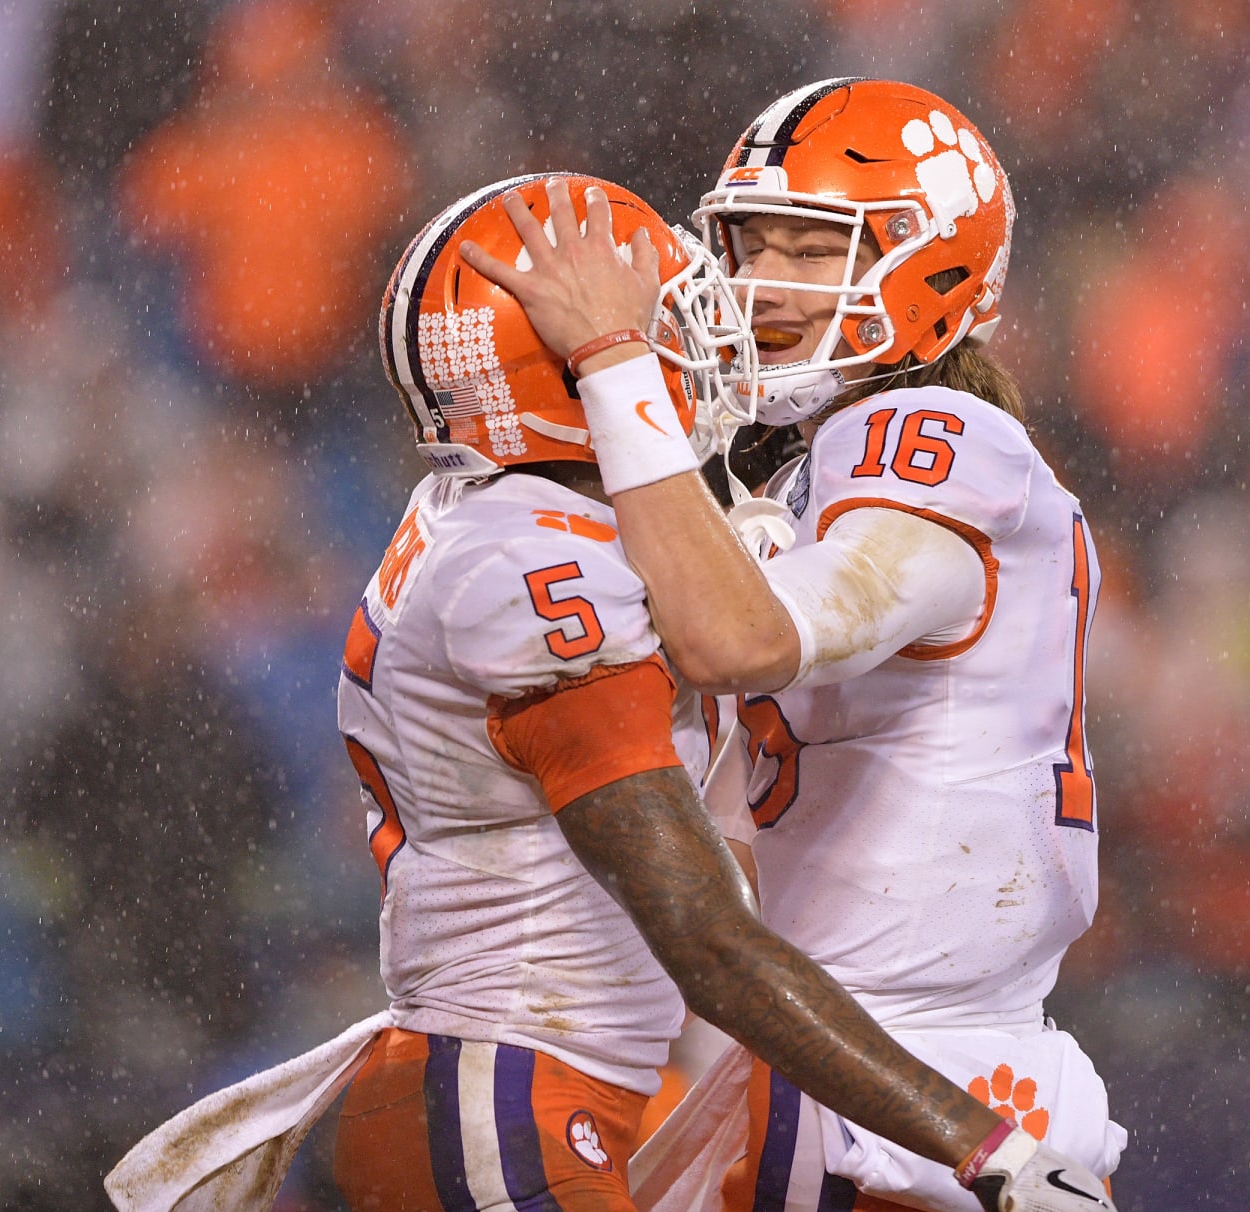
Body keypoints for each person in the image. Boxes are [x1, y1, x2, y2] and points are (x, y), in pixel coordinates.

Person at [105, 172, 1111, 1212]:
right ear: (561, 369)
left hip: (505, 1085)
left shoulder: (507, 520)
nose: (705, 333)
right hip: (511, 1097)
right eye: (656, 323)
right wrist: (986, 1150)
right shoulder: (541, 578)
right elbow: (709, 941)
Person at [462, 79, 1128, 1210]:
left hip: (914, 1078)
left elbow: (741, 641)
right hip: (855, 1053)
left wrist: (616, 362)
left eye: (812, 249)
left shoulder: (932, 431)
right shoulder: (798, 463)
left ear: (933, 267)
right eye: (746, 244)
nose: (759, 283)